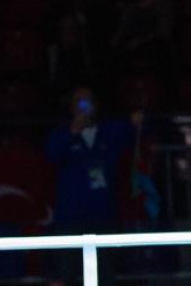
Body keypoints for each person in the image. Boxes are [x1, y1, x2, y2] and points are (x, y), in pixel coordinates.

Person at [46, 87, 141, 235]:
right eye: (78, 101)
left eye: (87, 101)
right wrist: (73, 132)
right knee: (70, 257)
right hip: (71, 215)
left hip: (105, 213)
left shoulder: (110, 132)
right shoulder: (60, 134)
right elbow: (52, 155)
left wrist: (137, 121)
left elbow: (138, 130)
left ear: (95, 105)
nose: (83, 106)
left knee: (108, 257)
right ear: (71, 107)